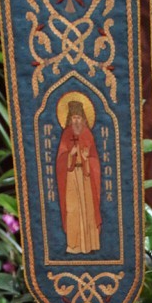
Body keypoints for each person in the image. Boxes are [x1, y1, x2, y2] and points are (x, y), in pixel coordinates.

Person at [56, 100, 102, 253]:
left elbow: (95, 159)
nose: (76, 121)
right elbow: (60, 158)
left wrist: (87, 158)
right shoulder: (66, 134)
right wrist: (70, 155)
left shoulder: (87, 134)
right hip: (71, 177)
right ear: (70, 118)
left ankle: (90, 244)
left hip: (86, 177)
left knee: (88, 208)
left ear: (83, 118)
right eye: (74, 118)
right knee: (73, 209)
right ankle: (74, 245)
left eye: (79, 117)